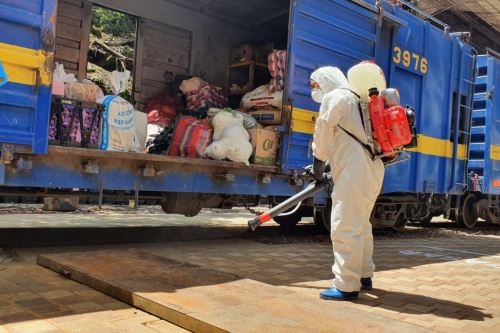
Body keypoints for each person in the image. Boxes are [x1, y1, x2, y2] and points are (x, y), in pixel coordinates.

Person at [310, 66, 385, 301]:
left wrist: (318, 163)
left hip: (355, 172)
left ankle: (346, 285)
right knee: (361, 225)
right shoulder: (357, 98)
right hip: (373, 169)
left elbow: (323, 130)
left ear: (326, 80)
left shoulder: (336, 97)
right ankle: (364, 274)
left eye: (315, 85)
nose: (314, 90)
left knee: (344, 226)